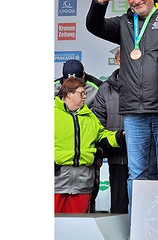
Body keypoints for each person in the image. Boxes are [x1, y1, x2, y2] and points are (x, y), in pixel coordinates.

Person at [85, 0, 158, 212]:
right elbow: (94, 26)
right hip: (133, 112)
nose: (136, 0)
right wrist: (100, 1)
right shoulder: (125, 23)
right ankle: (139, 227)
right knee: (136, 172)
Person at [54, 77, 126, 214]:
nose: (85, 96)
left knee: (79, 229)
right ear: (69, 93)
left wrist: (120, 136)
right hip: (56, 183)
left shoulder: (89, 116)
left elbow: (102, 135)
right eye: (81, 93)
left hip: (82, 183)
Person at [91, 48, 129, 213]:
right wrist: (102, 150)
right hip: (118, 157)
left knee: (145, 207)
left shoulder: (148, 83)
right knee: (119, 208)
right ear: (119, 61)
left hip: (145, 156)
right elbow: (98, 123)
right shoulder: (105, 89)